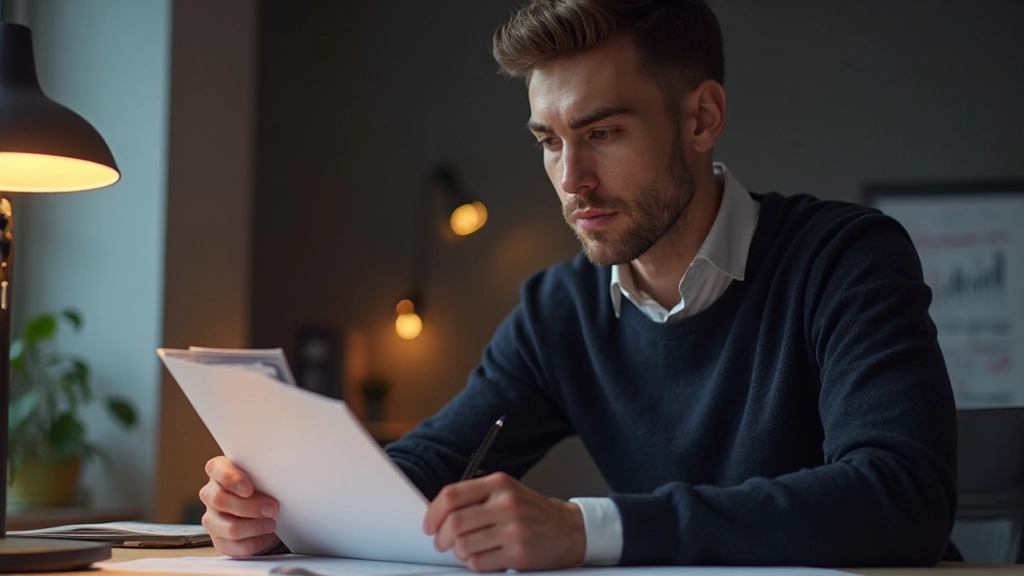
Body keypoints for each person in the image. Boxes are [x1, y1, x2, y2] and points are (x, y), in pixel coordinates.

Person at [200, 0, 958, 571]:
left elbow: (900, 496)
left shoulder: (845, 259)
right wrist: (282, 511)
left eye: (602, 133)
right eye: (549, 142)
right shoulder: (557, 312)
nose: (572, 180)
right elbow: (427, 468)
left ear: (702, 118)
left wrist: (586, 528)